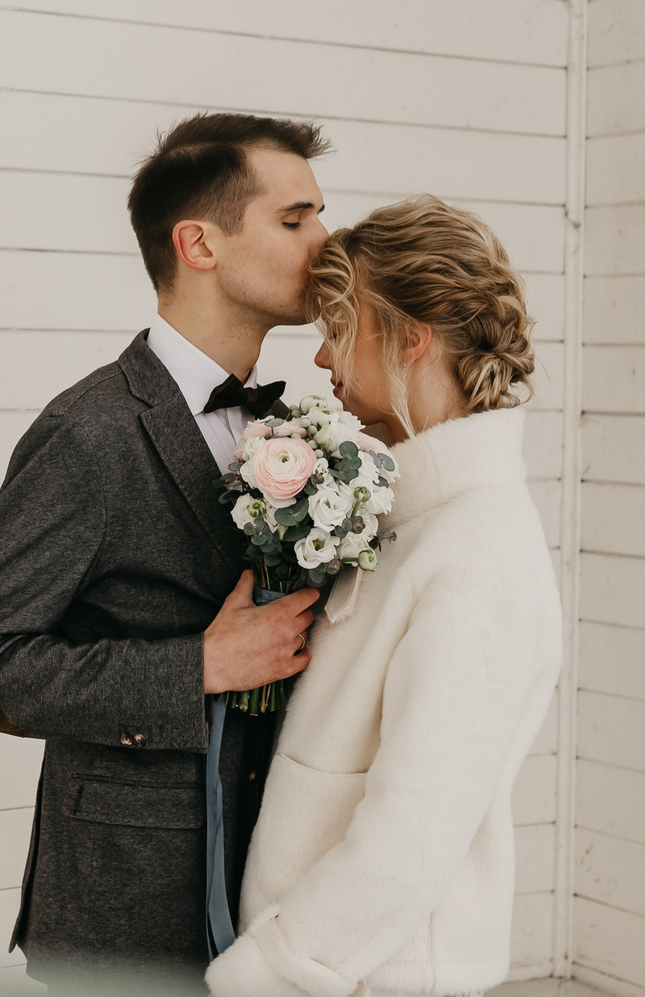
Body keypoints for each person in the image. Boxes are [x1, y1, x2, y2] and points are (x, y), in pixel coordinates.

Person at [0, 113, 331, 987]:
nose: (325, 243)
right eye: (295, 219)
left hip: (273, 889)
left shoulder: (297, 427)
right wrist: (198, 667)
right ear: (200, 244)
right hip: (125, 907)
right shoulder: (89, 433)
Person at [206, 195, 562, 997]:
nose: (322, 357)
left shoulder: (477, 560)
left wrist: (266, 974)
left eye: (340, 326)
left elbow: (413, 837)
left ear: (410, 337)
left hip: (373, 975)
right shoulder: (416, 520)